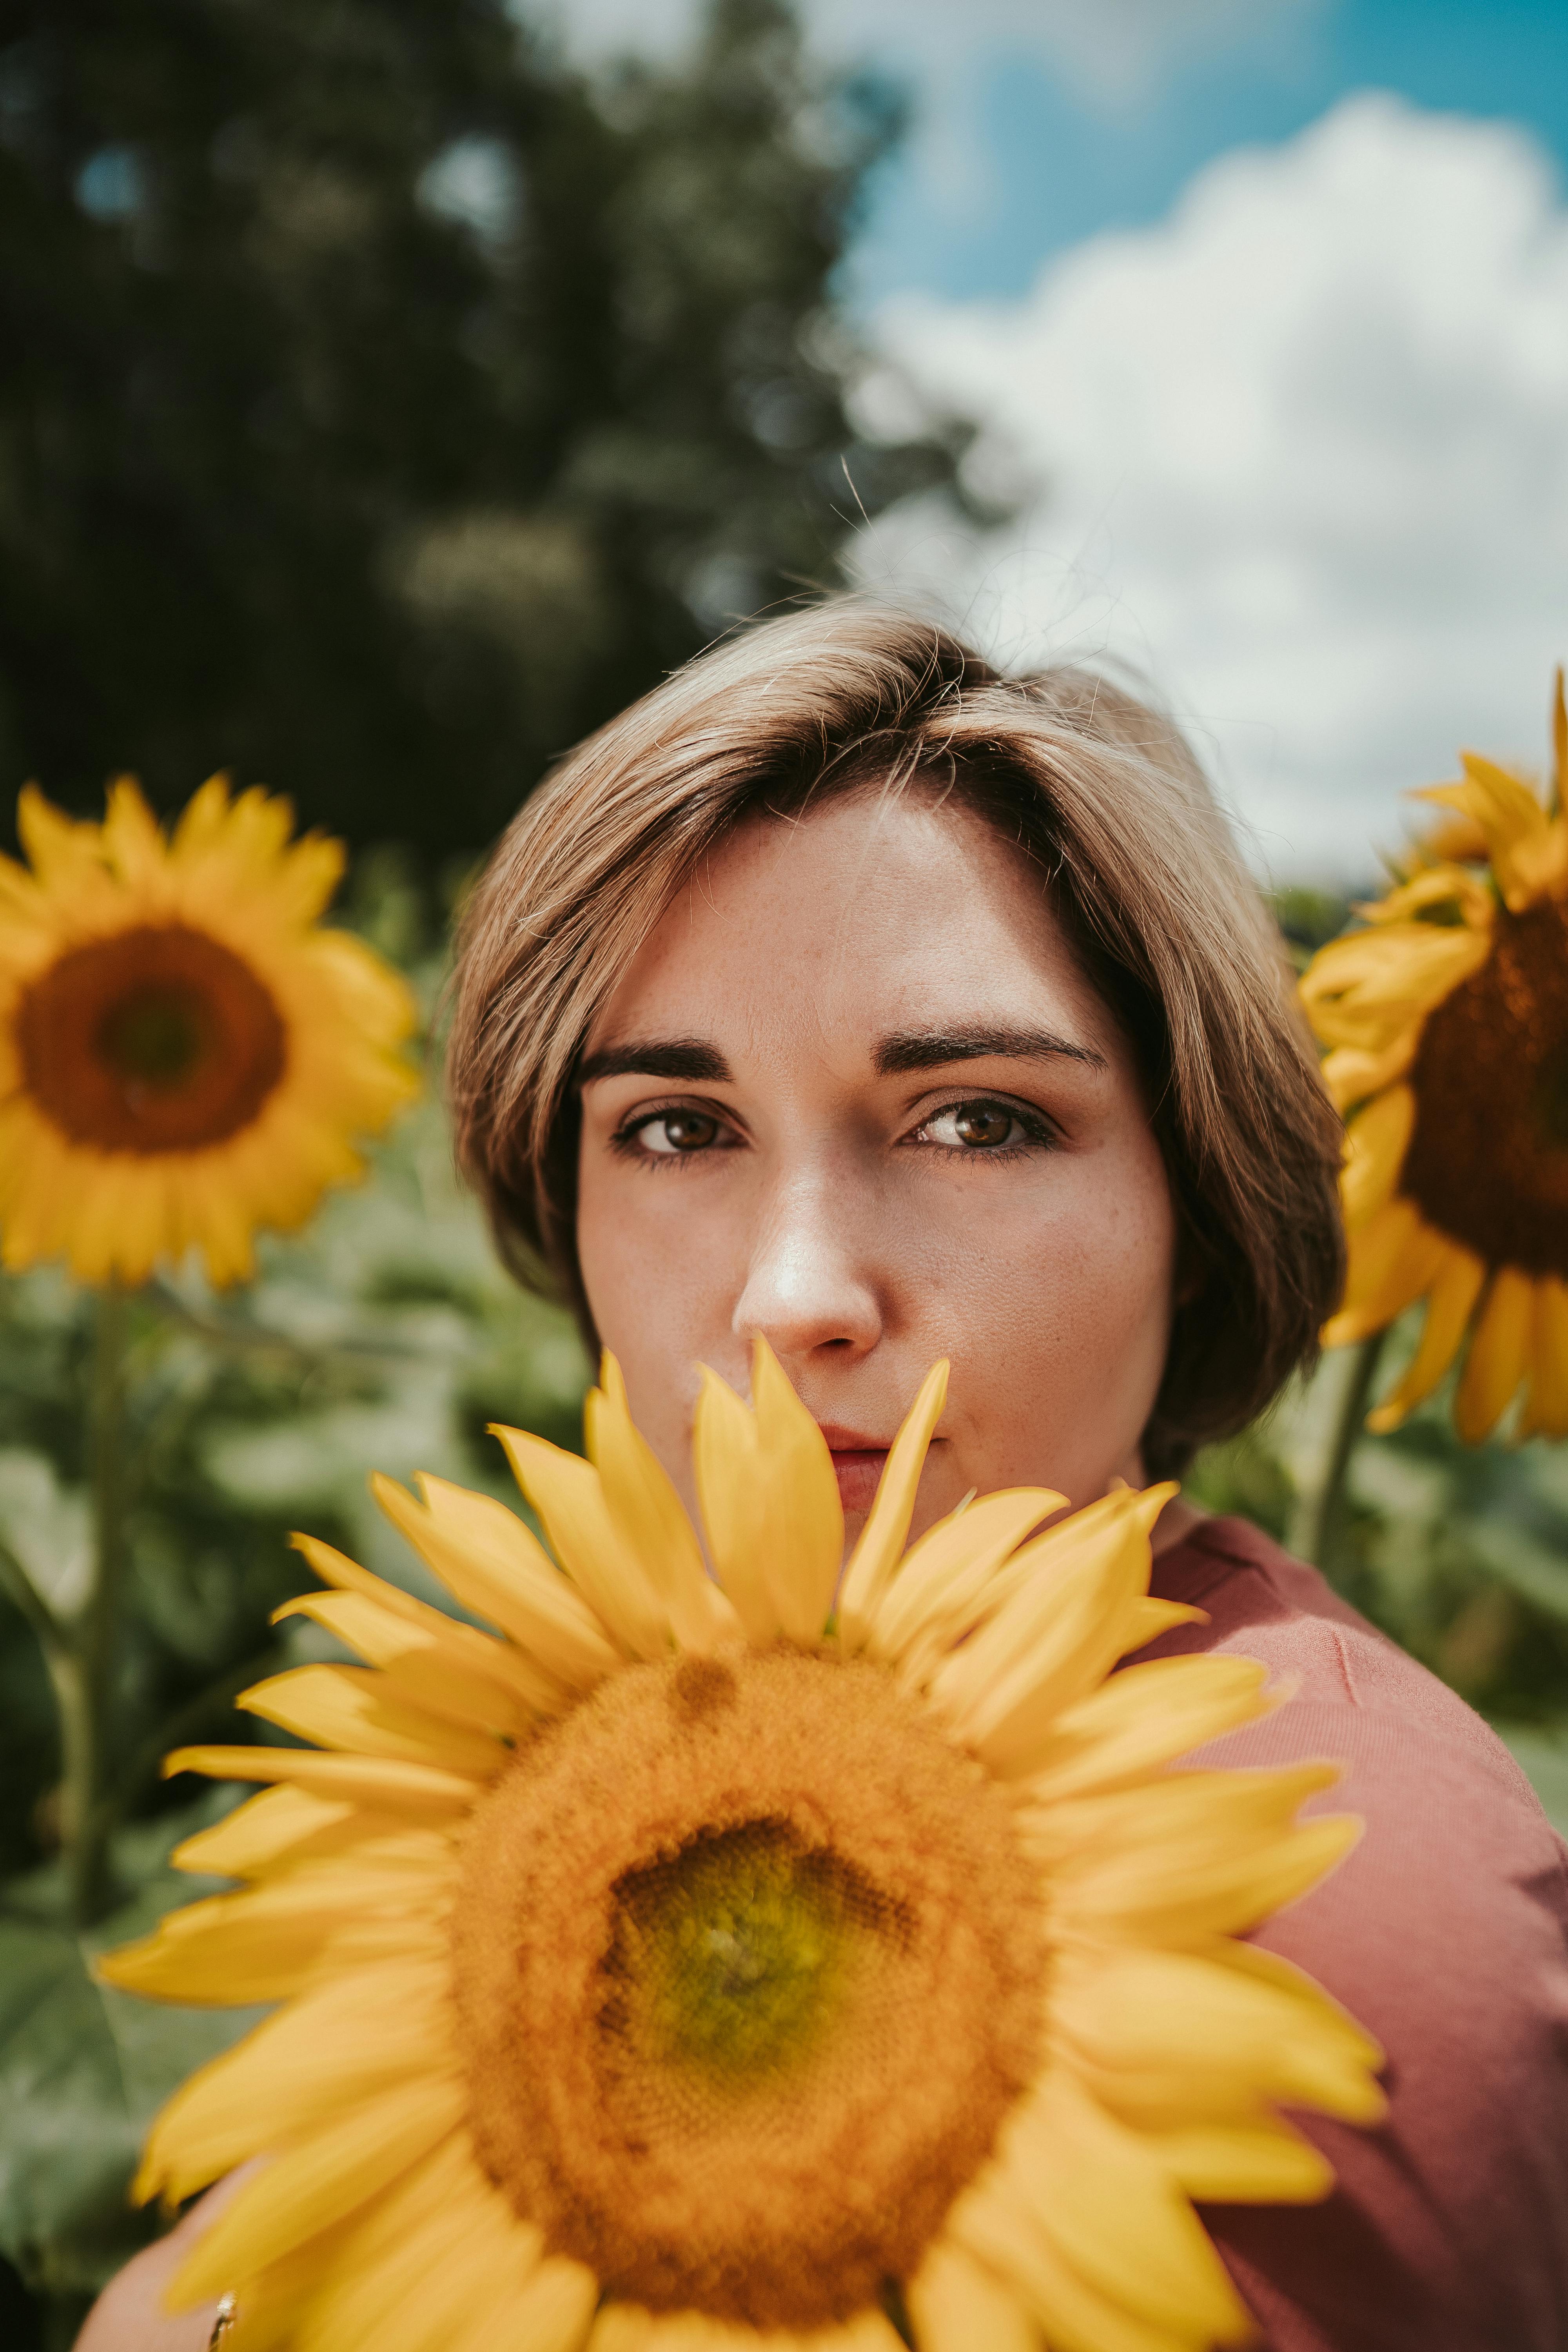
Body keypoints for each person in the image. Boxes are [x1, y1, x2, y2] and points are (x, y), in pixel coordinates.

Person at [82, 603, 1568, 2352]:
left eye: (976, 1121)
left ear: (1199, 1209)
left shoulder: (1317, 1897)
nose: (796, 1296)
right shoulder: (528, 1756)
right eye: (675, 1128)